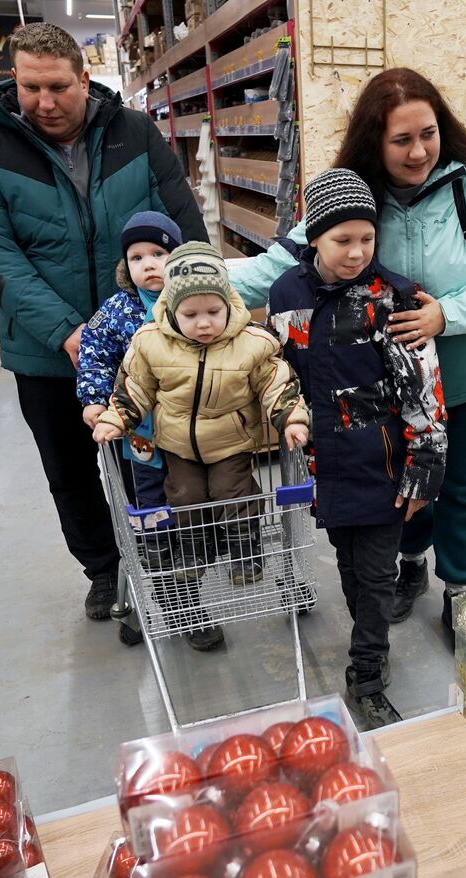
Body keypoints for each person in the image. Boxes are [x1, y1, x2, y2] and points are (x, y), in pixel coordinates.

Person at [231, 68, 466, 636]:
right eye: (401, 139)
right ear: (375, 139)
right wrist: (188, 280)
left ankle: (462, 589)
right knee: (406, 479)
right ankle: (411, 565)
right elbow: (281, 264)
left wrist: (445, 314)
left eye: (428, 133)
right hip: (386, 385)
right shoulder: (352, 195)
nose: (419, 150)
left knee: (463, 486)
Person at [0, 23, 207, 625]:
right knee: (71, 468)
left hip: (149, 344)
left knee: (162, 462)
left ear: (84, 78)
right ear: (14, 79)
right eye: (30, 87)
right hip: (47, 352)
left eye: (58, 87)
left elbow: (186, 227)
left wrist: (193, 309)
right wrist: (71, 333)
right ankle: (105, 570)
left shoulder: (136, 133)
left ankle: (175, 576)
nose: (44, 102)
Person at [267, 168, 447, 727]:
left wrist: (423, 473)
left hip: (385, 465)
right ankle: (368, 644)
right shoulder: (286, 295)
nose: (356, 252)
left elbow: (424, 393)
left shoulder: (394, 299)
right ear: (314, 237)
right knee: (348, 566)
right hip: (325, 466)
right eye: (342, 240)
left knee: (375, 575)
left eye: (366, 239)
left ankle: (366, 673)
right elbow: (279, 375)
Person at [93, 243, 310, 651]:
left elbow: (276, 383)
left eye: (213, 312)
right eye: (190, 315)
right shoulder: (150, 343)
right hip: (177, 446)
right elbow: (133, 390)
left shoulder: (251, 343)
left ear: (230, 302)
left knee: (235, 493)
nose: (204, 324)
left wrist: (293, 419)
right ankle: (195, 553)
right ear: (172, 310)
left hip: (231, 443)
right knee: (186, 497)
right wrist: (113, 419)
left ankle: (246, 552)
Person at [77, 211, 182, 647]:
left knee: (191, 510)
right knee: (149, 511)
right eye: (137, 257)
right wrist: (95, 400)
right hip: (142, 435)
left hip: (195, 433)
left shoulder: (195, 300)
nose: (149, 264)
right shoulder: (117, 311)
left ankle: (191, 599)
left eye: (159, 253)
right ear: (126, 266)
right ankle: (155, 596)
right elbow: (94, 352)